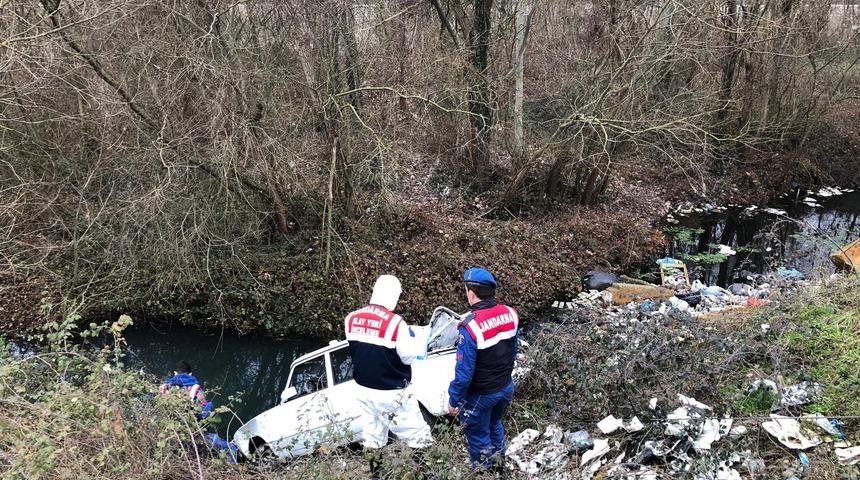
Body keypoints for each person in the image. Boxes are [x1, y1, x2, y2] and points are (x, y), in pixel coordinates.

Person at [344, 274, 433, 478]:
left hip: (362, 389)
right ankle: (427, 475)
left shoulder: (351, 318)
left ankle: (377, 475)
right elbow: (408, 356)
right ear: (394, 296)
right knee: (418, 435)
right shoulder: (396, 324)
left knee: (372, 435)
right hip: (392, 391)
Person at [447, 267, 519, 472]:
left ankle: (484, 474)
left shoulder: (469, 327)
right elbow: (513, 350)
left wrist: (454, 400)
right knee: (495, 424)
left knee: (478, 437)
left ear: (471, 292)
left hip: (479, 395)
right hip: (505, 387)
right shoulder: (510, 313)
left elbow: (464, 373)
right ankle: (500, 469)